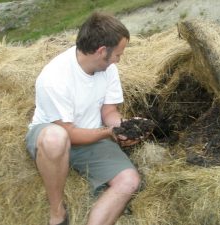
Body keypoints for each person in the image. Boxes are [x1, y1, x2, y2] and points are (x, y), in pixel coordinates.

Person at [25, 12, 144, 225]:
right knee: (56, 138)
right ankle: (57, 213)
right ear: (101, 51)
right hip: (53, 134)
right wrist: (108, 133)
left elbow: (109, 112)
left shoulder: (109, 69)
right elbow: (68, 132)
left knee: (129, 181)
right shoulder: (54, 77)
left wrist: (124, 127)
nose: (119, 59)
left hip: (91, 136)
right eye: (118, 54)